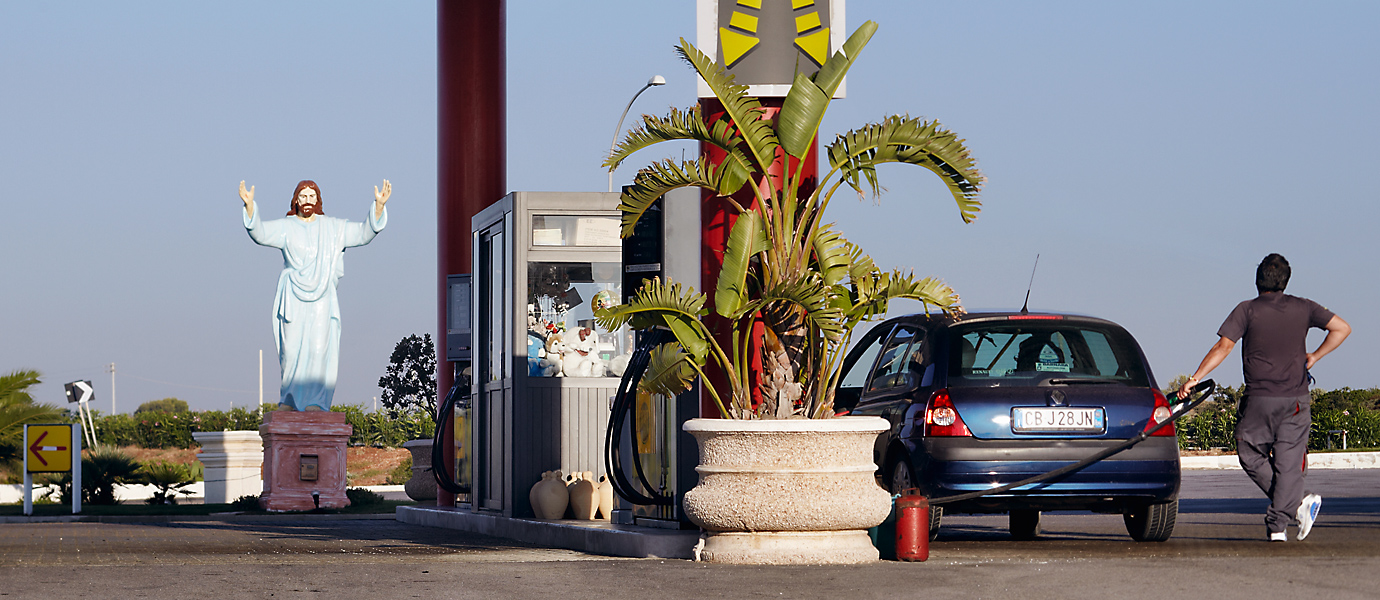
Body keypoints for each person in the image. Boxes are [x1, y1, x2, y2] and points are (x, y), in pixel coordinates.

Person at [1179, 253, 1350, 542]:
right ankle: (1289, 512)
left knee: (1247, 450)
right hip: (1296, 399)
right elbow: (1342, 328)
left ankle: (1279, 525)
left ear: (1257, 280)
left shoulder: (1246, 310)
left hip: (1260, 398)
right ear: (1286, 281)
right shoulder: (1304, 307)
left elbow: (1223, 346)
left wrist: (1195, 378)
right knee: (1288, 464)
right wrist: (1315, 357)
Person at [240, 179, 391, 411]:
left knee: (319, 349)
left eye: (312, 196)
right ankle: (289, 401)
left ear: (318, 200)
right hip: (293, 297)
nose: (307, 201)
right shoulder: (286, 227)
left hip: (322, 299)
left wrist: (378, 207)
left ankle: (315, 403)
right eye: (303, 196)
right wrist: (250, 206)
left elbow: (363, 233)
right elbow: (259, 232)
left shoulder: (333, 228)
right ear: (296, 200)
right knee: (290, 352)